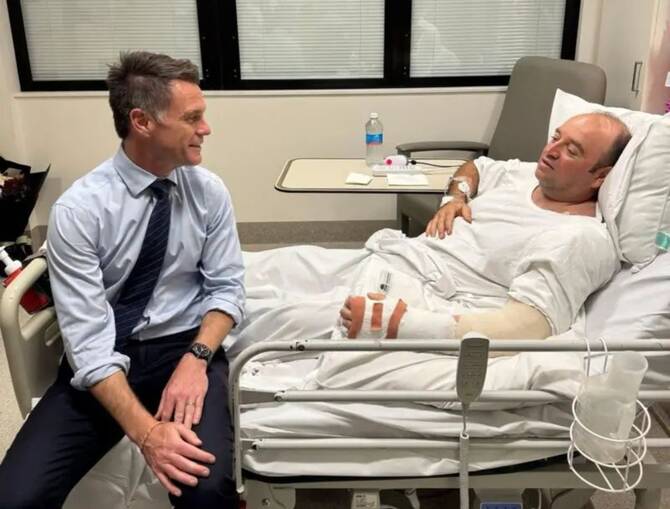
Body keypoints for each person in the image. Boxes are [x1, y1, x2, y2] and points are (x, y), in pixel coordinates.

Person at [0, 51, 244, 508]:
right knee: (15, 497)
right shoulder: (80, 211)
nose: (206, 129)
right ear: (142, 122)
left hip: (185, 347)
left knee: (207, 490)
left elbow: (227, 289)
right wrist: (148, 434)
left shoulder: (208, 192)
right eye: (192, 118)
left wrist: (196, 359)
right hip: (108, 353)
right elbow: (88, 343)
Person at [225, 112, 630, 358]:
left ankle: (193, 350)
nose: (551, 150)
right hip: (394, 258)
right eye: (556, 136)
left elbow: (525, 327)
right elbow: (475, 167)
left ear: (601, 176)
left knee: (277, 317)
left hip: (421, 294)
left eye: (572, 150)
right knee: (276, 264)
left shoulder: (580, 239)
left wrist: (399, 323)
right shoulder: (525, 175)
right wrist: (456, 197)